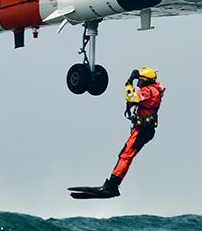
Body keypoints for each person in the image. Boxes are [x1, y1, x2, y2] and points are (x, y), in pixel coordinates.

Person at [69, 67, 164, 199]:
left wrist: (129, 82)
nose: (138, 83)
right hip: (143, 129)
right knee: (124, 155)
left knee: (125, 156)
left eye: (140, 80)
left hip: (142, 130)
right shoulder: (153, 90)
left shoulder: (149, 91)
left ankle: (112, 186)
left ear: (146, 81)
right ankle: (112, 185)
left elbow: (131, 97)